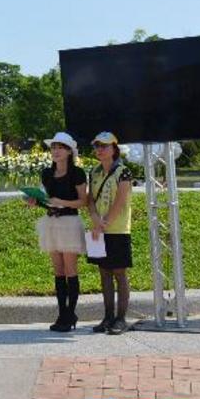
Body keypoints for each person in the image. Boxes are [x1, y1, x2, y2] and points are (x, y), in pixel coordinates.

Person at [28, 131, 88, 332]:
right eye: (53, 147)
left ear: (69, 151)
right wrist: (35, 201)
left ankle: (70, 314)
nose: (55, 151)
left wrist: (62, 202)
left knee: (71, 269)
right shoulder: (46, 173)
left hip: (70, 222)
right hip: (51, 222)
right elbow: (46, 201)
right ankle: (62, 313)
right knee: (58, 271)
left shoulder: (77, 173)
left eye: (60, 147)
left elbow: (83, 201)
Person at [86, 131, 133, 335]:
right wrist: (95, 218)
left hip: (118, 230)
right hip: (98, 229)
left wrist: (103, 224)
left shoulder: (123, 172)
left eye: (104, 146)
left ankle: (121, 318)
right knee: (104, 273)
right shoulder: (94, 172)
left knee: (119, 273)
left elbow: (120, 201)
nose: (99, 150)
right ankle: (107, 317)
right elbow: (90, 200)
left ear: (114, 149)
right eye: (97, 146)